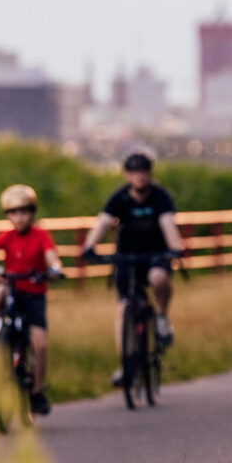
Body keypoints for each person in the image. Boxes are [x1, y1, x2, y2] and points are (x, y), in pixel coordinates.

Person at [81, 151, 183, 386]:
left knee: (158, 278)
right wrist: (89, 247)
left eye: (143, 172)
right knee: (124, 308)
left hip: (156, 254)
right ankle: (127, 365)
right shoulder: (120, 198)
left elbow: (168, 223)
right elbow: (104, 222)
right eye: (135, 173)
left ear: (150, 174)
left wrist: (175, 248)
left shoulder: (160, 196)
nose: (139, 177)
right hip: (127, 256)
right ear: (127, 176)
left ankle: (162, 317)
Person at [0, 184, 63, 414]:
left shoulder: (41, 236)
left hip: (34, 294)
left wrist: (55, 268)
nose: (19, 217)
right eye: (14, 213)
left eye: (24, 212)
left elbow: (51, 257)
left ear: (32, 212)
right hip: (12, 288)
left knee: (40, 344)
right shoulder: (7, 236)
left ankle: (37, 391)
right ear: (8, 215)